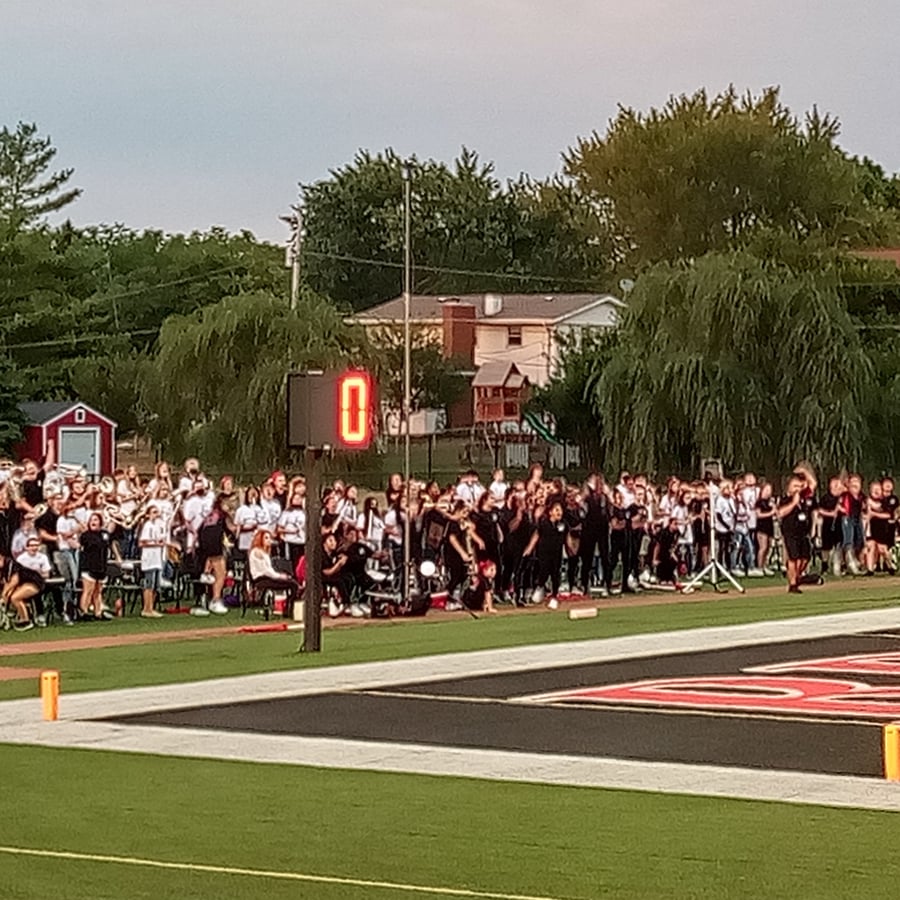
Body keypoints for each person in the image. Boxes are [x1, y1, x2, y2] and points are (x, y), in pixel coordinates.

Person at [777, 469, 817, 594]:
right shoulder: (785, 499)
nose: (798, 489)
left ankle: (798, 577)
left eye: (799, 486)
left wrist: (805, 472)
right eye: (795, 486)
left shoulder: (804, 497)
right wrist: (793, 503)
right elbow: (780, 513)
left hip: (803, 532)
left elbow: (813, 484)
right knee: (793, 558)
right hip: (790, 532)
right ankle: (792, 584)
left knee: (805, 558)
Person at [1, 534, 51, 629]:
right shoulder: (9, 565)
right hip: (24, 583)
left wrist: (4, 594)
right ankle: (15, 615)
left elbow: (14, 581)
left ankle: (26, 621)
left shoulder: (11, 564)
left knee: (15, 597)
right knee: (11, 596)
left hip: (34, 581)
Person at [247, 530, 299, 606]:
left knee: (292, 582)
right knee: (293, 584)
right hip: (262, 578)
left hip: (266, 577)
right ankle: (289, 606)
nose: (269, 540)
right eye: (266, 538)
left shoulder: (263, 553)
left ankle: (289, 605)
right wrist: (280, 576)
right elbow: (266, 571)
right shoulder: (257, 552)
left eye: (269, 538)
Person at [79, 511, 112, 620]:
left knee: (98, 591)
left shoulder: (104, 534)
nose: (93, 522)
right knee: (88, 590)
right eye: (91, 520)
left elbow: (106, 544)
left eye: (96, 520)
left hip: (101, 566)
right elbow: (89, 545)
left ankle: (98, 612)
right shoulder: (85, 535)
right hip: (89, 566)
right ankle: (84, 611)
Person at [138, 504, 167, 618]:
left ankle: (151, 607)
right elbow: (142, 542)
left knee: (155, 585)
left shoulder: (158, 526)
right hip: (149, 558)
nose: (156, 514)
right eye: (154, 512)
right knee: (149, 584)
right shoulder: (147, 526)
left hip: (157, 558)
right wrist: (156, 544)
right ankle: (146, 608)